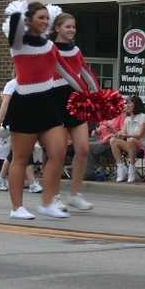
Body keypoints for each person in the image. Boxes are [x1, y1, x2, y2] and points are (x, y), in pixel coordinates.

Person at [1, 1, 80, 220]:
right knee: (21, 158)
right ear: (29, 21)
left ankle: (47, 202)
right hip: (25, 105)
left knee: (58, 152)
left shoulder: (49, 46)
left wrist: (92, 95)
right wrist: (18, 14)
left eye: (47, 18)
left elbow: (67, 73)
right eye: (41, 18)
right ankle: (17, 207)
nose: (46, 22)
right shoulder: (18, 44)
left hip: (48, 105)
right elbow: (16, 30)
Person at [52, 12, 99, 212]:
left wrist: (97, 94)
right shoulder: (50, 49)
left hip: (75, 101)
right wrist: (82, 87)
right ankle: (53, 196)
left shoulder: (76, 49)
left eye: (73, 26)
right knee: (58, 153)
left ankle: (75, 194)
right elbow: (66, 74)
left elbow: (85, 70)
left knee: (83, 148)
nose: (71, 30)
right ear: (57, 28)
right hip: (55, 101)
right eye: (67, 26)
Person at [0, 78, 42, 193]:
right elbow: (5, 104)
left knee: (17, 151)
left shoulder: (33, 83)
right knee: (23, 151)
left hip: (27, 120)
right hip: (16, 120)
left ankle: (1, 177)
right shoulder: (12, 84)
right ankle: (32, 182)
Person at [108, 96, 145, 184]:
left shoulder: (144, 117)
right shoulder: (127, 119)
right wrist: (116, 133)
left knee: (131, 140)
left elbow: (139, 135)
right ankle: (121, 168)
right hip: (131, 146)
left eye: (129, 103)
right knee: (113, 141)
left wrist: (125, 135)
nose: (126, 105)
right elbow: (122, 133)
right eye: (126, 103)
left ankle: (132, 169)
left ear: (136, 105)